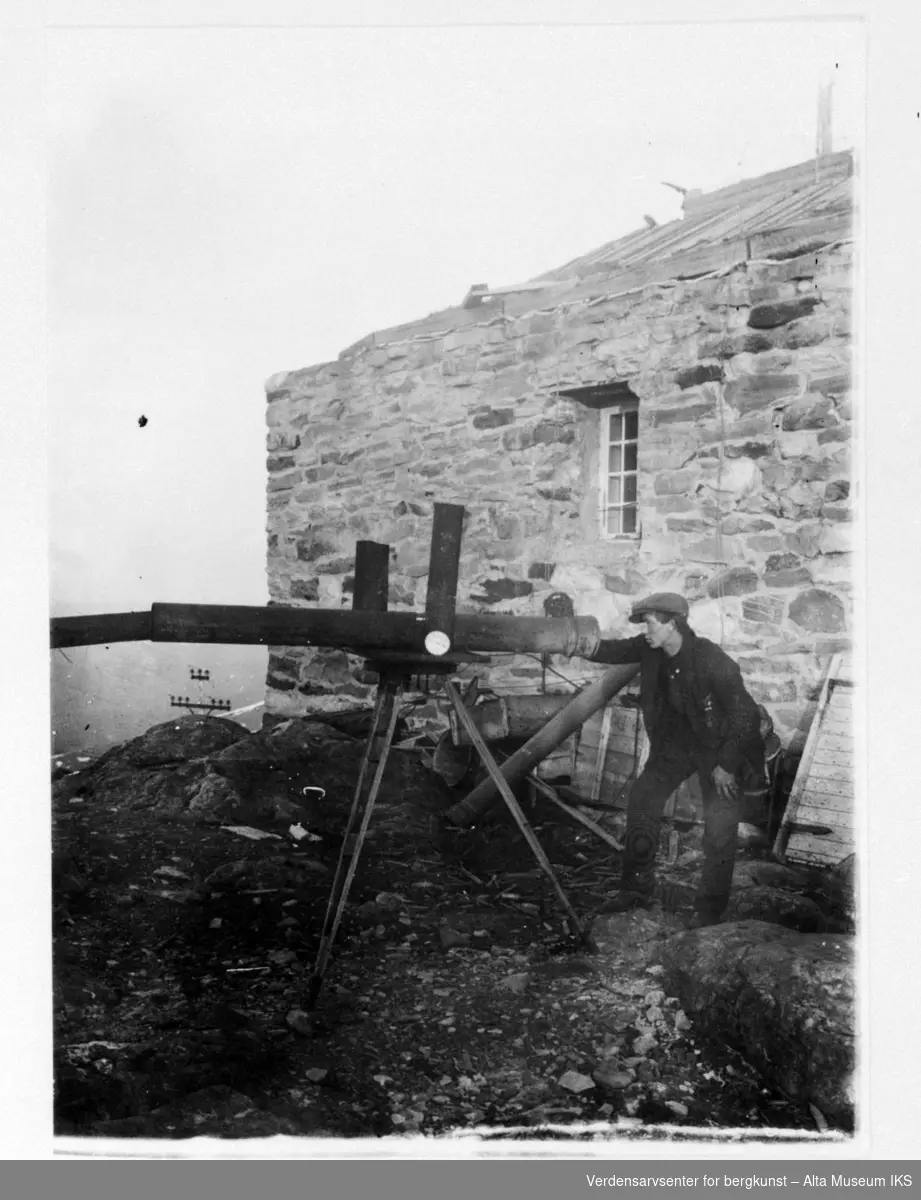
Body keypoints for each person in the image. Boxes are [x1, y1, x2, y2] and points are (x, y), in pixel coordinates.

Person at [589, 592, 765, 926]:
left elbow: (746, 714)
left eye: (650, 623)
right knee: (643, 797)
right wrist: (574, 642)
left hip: (722, 749)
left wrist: (727, 765)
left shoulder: (712, 659)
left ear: (673, 624)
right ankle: (635, 889)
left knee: (719, 825)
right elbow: (612, 650)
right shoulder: (650, 649)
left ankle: (709, 911)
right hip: (677, 747)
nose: (645, 631)